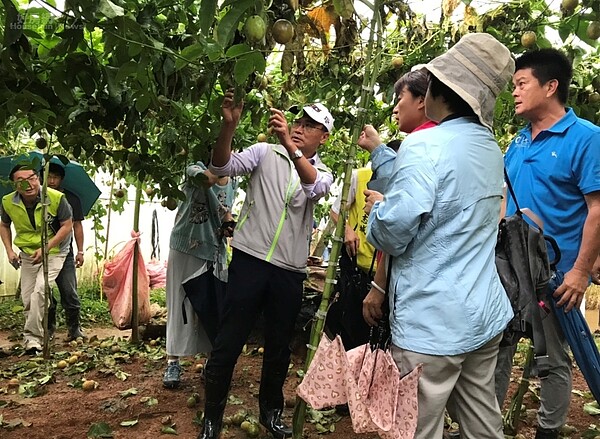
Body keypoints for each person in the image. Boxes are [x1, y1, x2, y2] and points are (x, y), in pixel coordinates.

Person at [365, 33, 515, 438]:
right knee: (484, 425)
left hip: (432, 325)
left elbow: (394, 233)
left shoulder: (423, 145)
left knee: (415, 430)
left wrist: (376, 210)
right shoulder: (490, 147)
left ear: (437, 91)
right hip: (483, 315)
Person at [199, 93, 334, 439]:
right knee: (229, 340)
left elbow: (313, 187)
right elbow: (220, 168)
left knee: (278, 346)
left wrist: (291, 145)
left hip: (289, 270)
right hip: (250, 260)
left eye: (310, 125)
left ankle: (271, 413)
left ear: (324, 136)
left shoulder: (324, 172)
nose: (301, 128)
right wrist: (228, 126)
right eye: (298, 122)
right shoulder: (265, 152)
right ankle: (211, 418)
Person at [494, 48, 600, 439]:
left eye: (522, 84)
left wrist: (580, 271)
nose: (515, 92)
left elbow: (597, 209)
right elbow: (505, 201)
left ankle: (548, 432)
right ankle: (486, 425)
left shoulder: (587, 139)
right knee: (498, 347)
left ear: (551, 86)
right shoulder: (518, 142)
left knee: (552, 357)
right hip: (509, 269)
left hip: (556, 273)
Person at [162, 162, 235, 389]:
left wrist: (230, 225)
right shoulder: (194, 168)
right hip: (186, 247)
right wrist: (221, 166)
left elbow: (225, 210)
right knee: (178, 303)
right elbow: (207, 180)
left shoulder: (234, 179)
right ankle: (173, 361)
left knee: (213, 308)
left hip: (214, 250)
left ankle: (210, 364)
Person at [0, 165, 73, 353]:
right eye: (21, 181)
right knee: (28, 297)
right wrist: (9, 251)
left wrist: (45, 248)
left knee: (41, 290)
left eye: (32, 178)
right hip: (27, 254)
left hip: (55, 250)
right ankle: (41, 332)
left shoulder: (56, 198)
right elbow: (4, 225)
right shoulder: (7, 202)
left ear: (39, 178)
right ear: (15, 185)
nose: (28, 184)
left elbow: (67, 226)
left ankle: (32, 339)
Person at [45, 163, 85, 341]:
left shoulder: (70, 198)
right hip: (40, 254)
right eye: (48, 176)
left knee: (69, 292)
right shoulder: (35, 197)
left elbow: (77, 226)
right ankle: (49, 329)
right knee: (44, 293)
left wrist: (81, 251)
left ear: (61, 179)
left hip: (65, 252)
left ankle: (74, 329)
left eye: (55, 177)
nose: (51, 180)